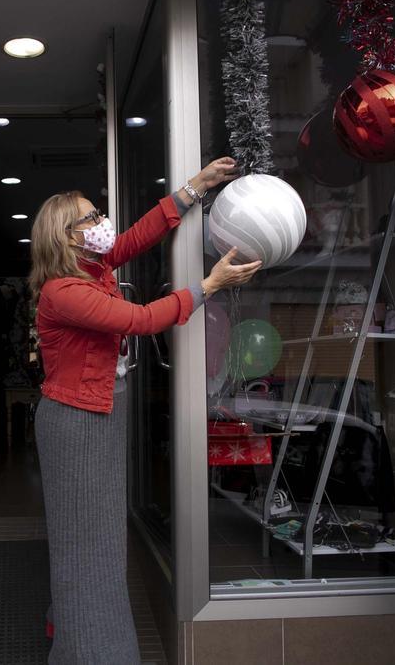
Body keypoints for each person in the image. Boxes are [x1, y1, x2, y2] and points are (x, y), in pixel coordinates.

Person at [28, 157, 261, 664]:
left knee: (95, 537)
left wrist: (192, 190)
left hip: (97, 415)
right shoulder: (63, 291)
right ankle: (91, 650)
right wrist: (209, 286)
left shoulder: (96, 269)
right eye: (91, 218)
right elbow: (140, 318)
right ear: (66, 237)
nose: (102, 223)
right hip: (76, 423)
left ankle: (70, 631)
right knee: (89, 542)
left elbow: (134, 238)